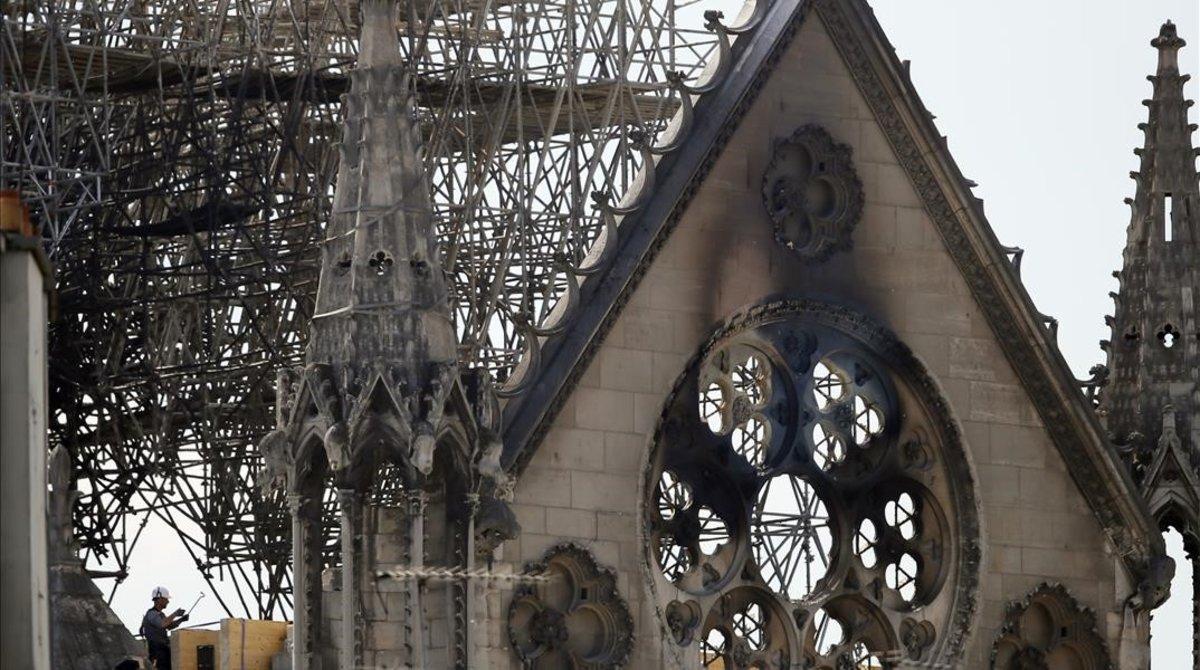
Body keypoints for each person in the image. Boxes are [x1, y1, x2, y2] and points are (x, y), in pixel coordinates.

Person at [140, 586, 189, 669]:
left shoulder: (160, 614)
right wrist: (176, 614)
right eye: (166, 599)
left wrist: (181, 620)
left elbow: (169, 626)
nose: (168, 601)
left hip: (163, 651)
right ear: (159, 599)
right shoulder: (151, 614)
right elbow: (162, 624)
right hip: (157, 652)